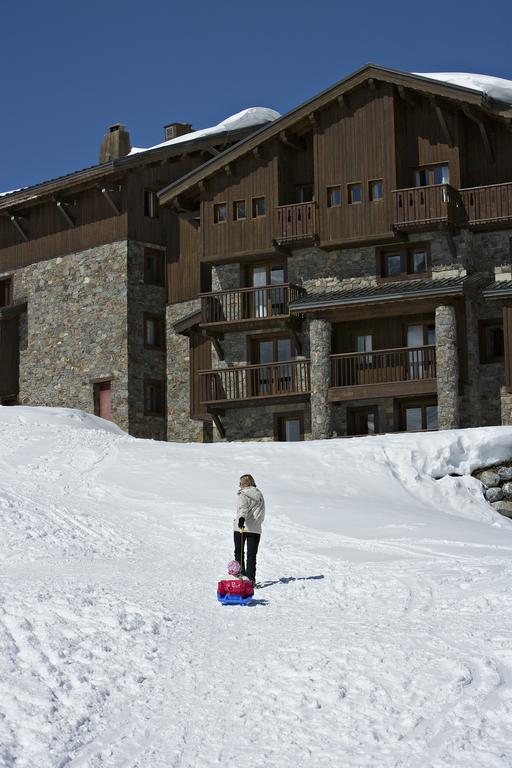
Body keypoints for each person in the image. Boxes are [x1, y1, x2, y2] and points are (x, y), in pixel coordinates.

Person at [234, 473, 265, 585]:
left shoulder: (243, 494)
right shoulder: (259, 494)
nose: (239, 485)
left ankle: (241, 579)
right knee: (251, 555)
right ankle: (251, 580)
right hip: (255, 529)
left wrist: (241, 519)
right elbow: (262, 513)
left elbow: (243, 509)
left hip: (241, 528)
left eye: (240, 483)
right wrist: (257, 523)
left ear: (245, 483)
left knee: (239, 552)